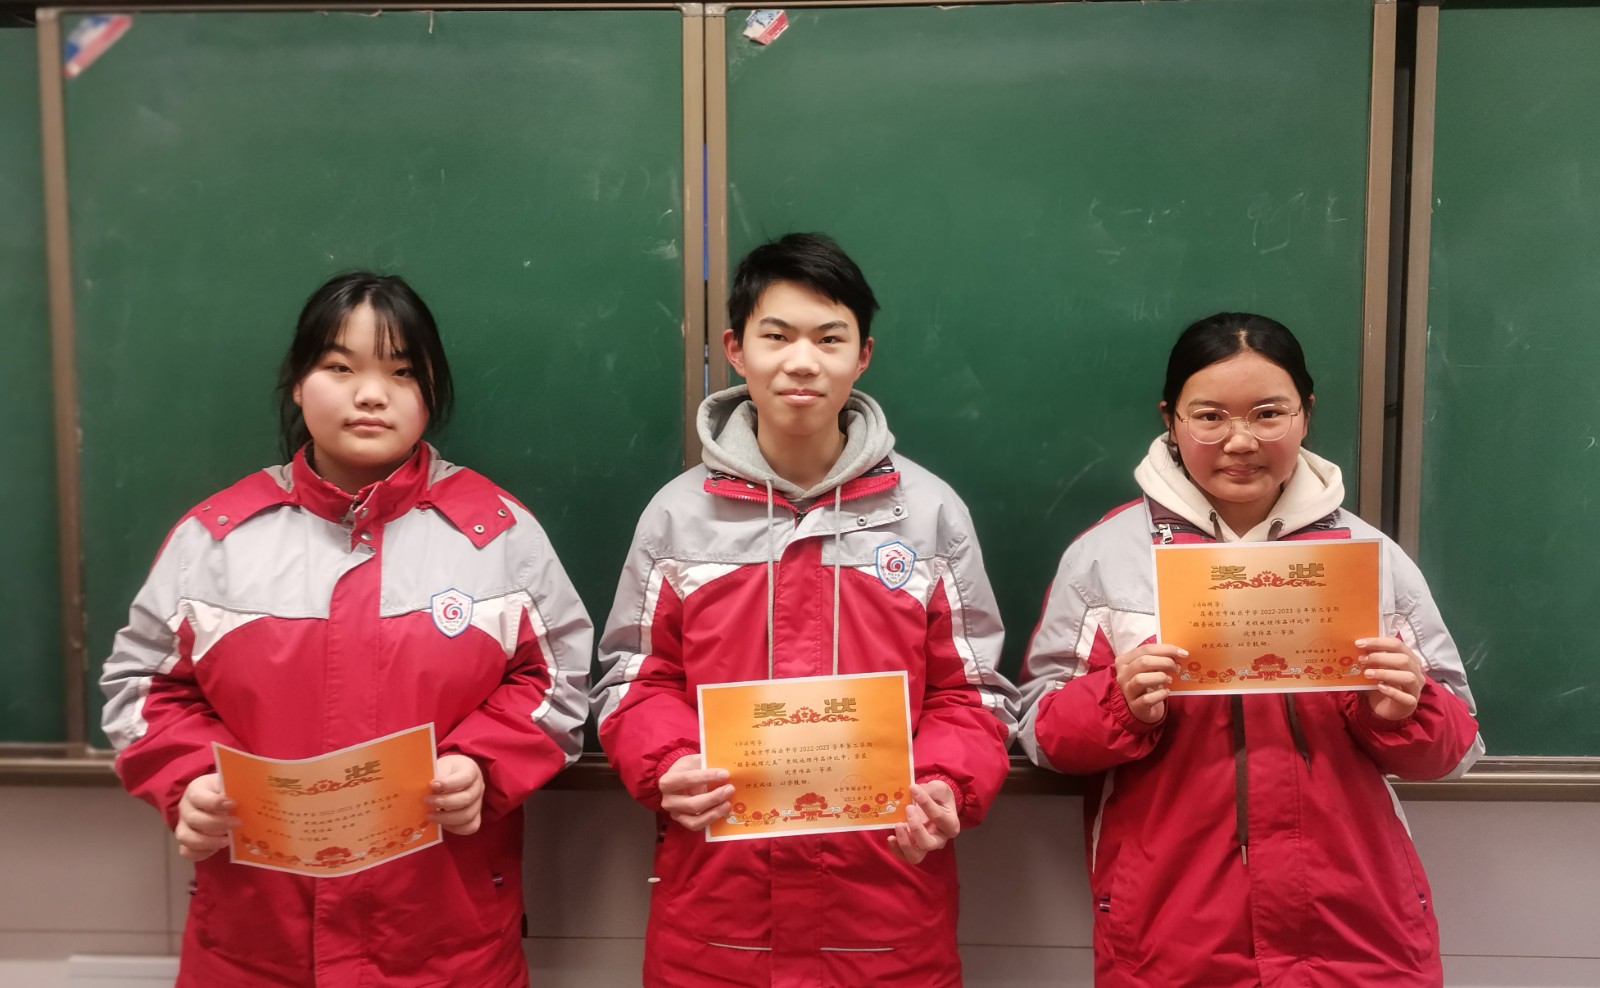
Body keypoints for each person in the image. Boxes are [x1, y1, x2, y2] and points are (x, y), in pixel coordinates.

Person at [100, 272, 592, 987]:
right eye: (340, 367)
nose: (371, 394)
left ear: (431, 393)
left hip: (446, 943)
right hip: (255, 941)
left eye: (402, 372)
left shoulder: (498, 536)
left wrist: (482, 765)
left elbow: (559, 678)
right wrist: (192, 780)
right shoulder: (215, 540)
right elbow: (142, 686)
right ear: (298, 385)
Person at [592, 233, 1018, 986]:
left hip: (884, 921)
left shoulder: (930, 515)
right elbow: (633, 680)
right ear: (735, 349)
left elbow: (973, 693)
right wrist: (669, 763)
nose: (801, 361)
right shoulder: (677, 518)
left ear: (863, 356)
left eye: (829, 338)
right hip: (716, 926)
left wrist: (944, 783)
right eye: (776, 336)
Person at [1018, 311, 1484, 987]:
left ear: (1306, 414)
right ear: (1171, 420)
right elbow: (1040, 733)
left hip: (1359, 932)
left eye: (1269, 414)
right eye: (1209, 416)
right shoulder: (1105, 559)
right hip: (1174, 935)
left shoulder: (1369, 558)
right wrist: (1119, 704)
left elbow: (1459, 747)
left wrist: (1405, 709)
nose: (1240, 441)